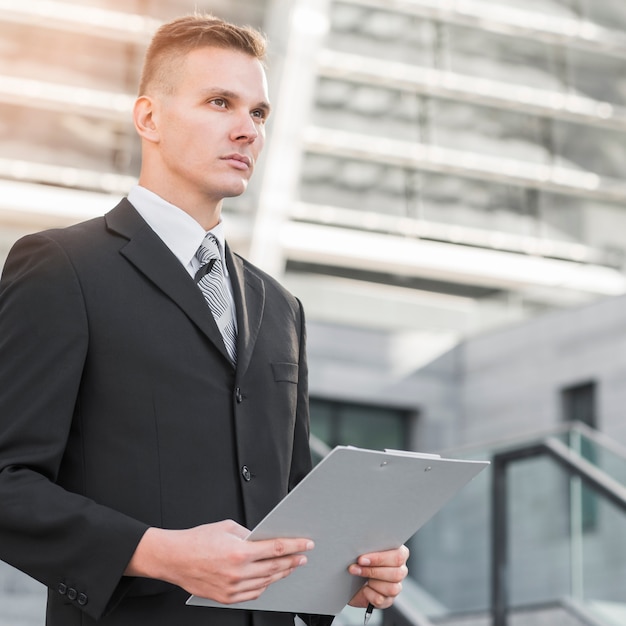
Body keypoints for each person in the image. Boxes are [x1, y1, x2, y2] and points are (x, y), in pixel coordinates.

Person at [0, 13, 409, 626]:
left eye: (259, 113)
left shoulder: (279, 306)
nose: (246, 130)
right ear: (149, 119)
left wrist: (348, 572)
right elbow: (7, 480)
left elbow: (292, 499)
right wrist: (157, 552)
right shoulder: (62, 267)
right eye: (220, 102)